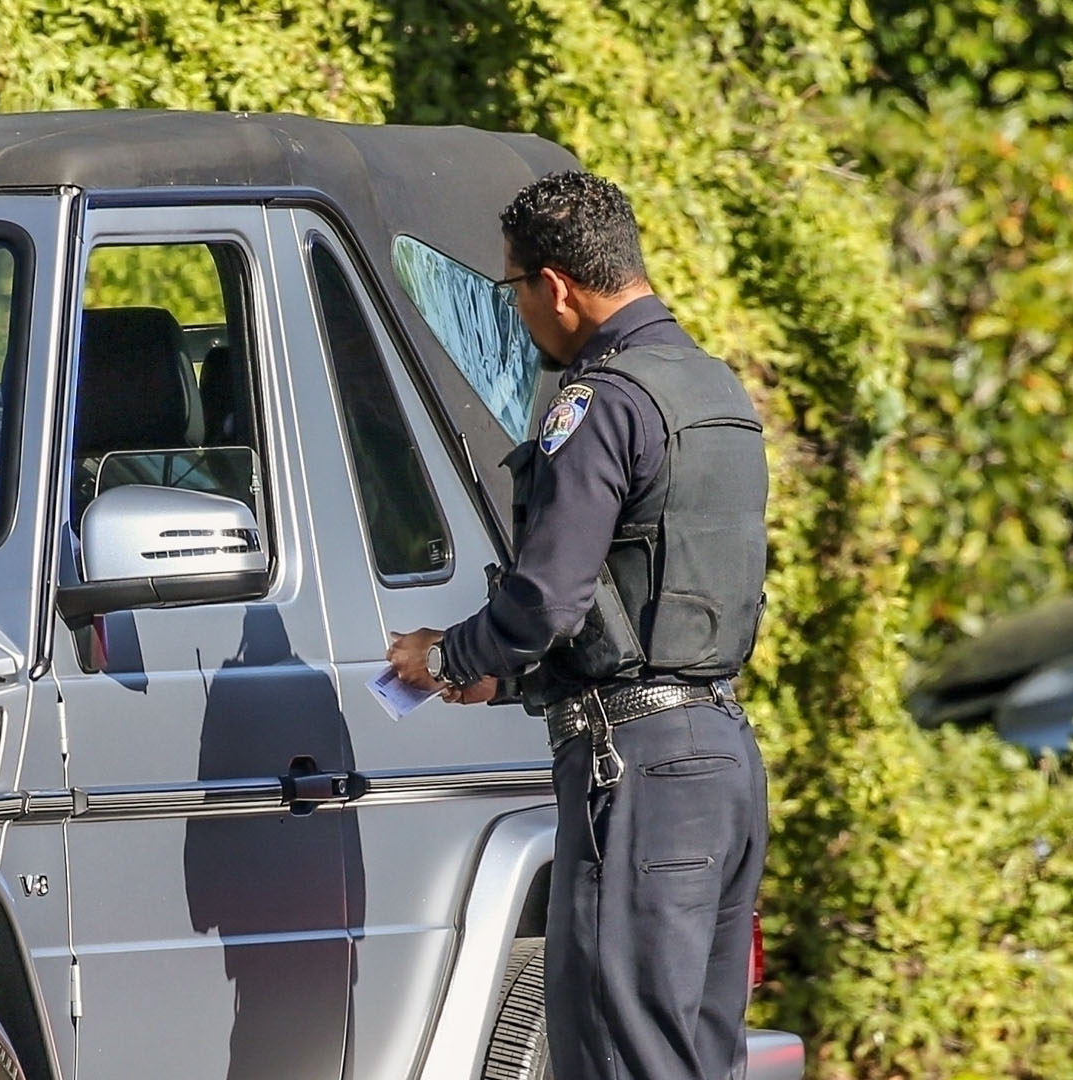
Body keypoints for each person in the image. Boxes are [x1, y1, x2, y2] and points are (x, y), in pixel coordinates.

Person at [386, 170, 770, 1080]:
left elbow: (547, 595)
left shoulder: (599, 402)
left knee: (615, 1053)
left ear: (554, 285)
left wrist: (448, 655)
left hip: (634, 769)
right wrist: (508, 677)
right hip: (720, 757)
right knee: (687, 1056)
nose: (517, 311)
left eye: (513, 288)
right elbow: (652, 594)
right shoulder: (714, 392)